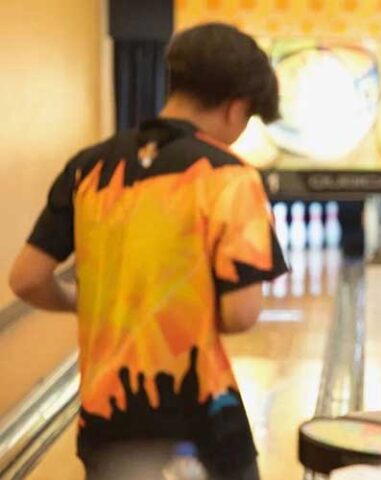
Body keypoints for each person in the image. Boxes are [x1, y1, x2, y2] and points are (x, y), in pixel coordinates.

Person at [8, 23, 286, 479]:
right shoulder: (230, 177)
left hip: (103, 415)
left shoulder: (89, 165)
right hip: (199, 416)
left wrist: (90, 305)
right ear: (237, 109)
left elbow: (27, 278)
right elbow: (240, 313)